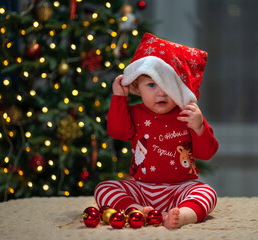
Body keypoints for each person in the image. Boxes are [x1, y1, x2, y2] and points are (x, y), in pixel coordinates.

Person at [94, 33, 219, 229]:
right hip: (141, 189)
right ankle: (134, 209)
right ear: (137, 86)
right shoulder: (135, 113)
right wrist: (119, 97)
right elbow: (117, 132)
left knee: (207, 193)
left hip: (180, 189)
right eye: (151, 85)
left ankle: (183, 216)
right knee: (104, 188)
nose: (160, 93)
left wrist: (199, 127)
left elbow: (207, 153)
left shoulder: (188, 114)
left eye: (168, 86)